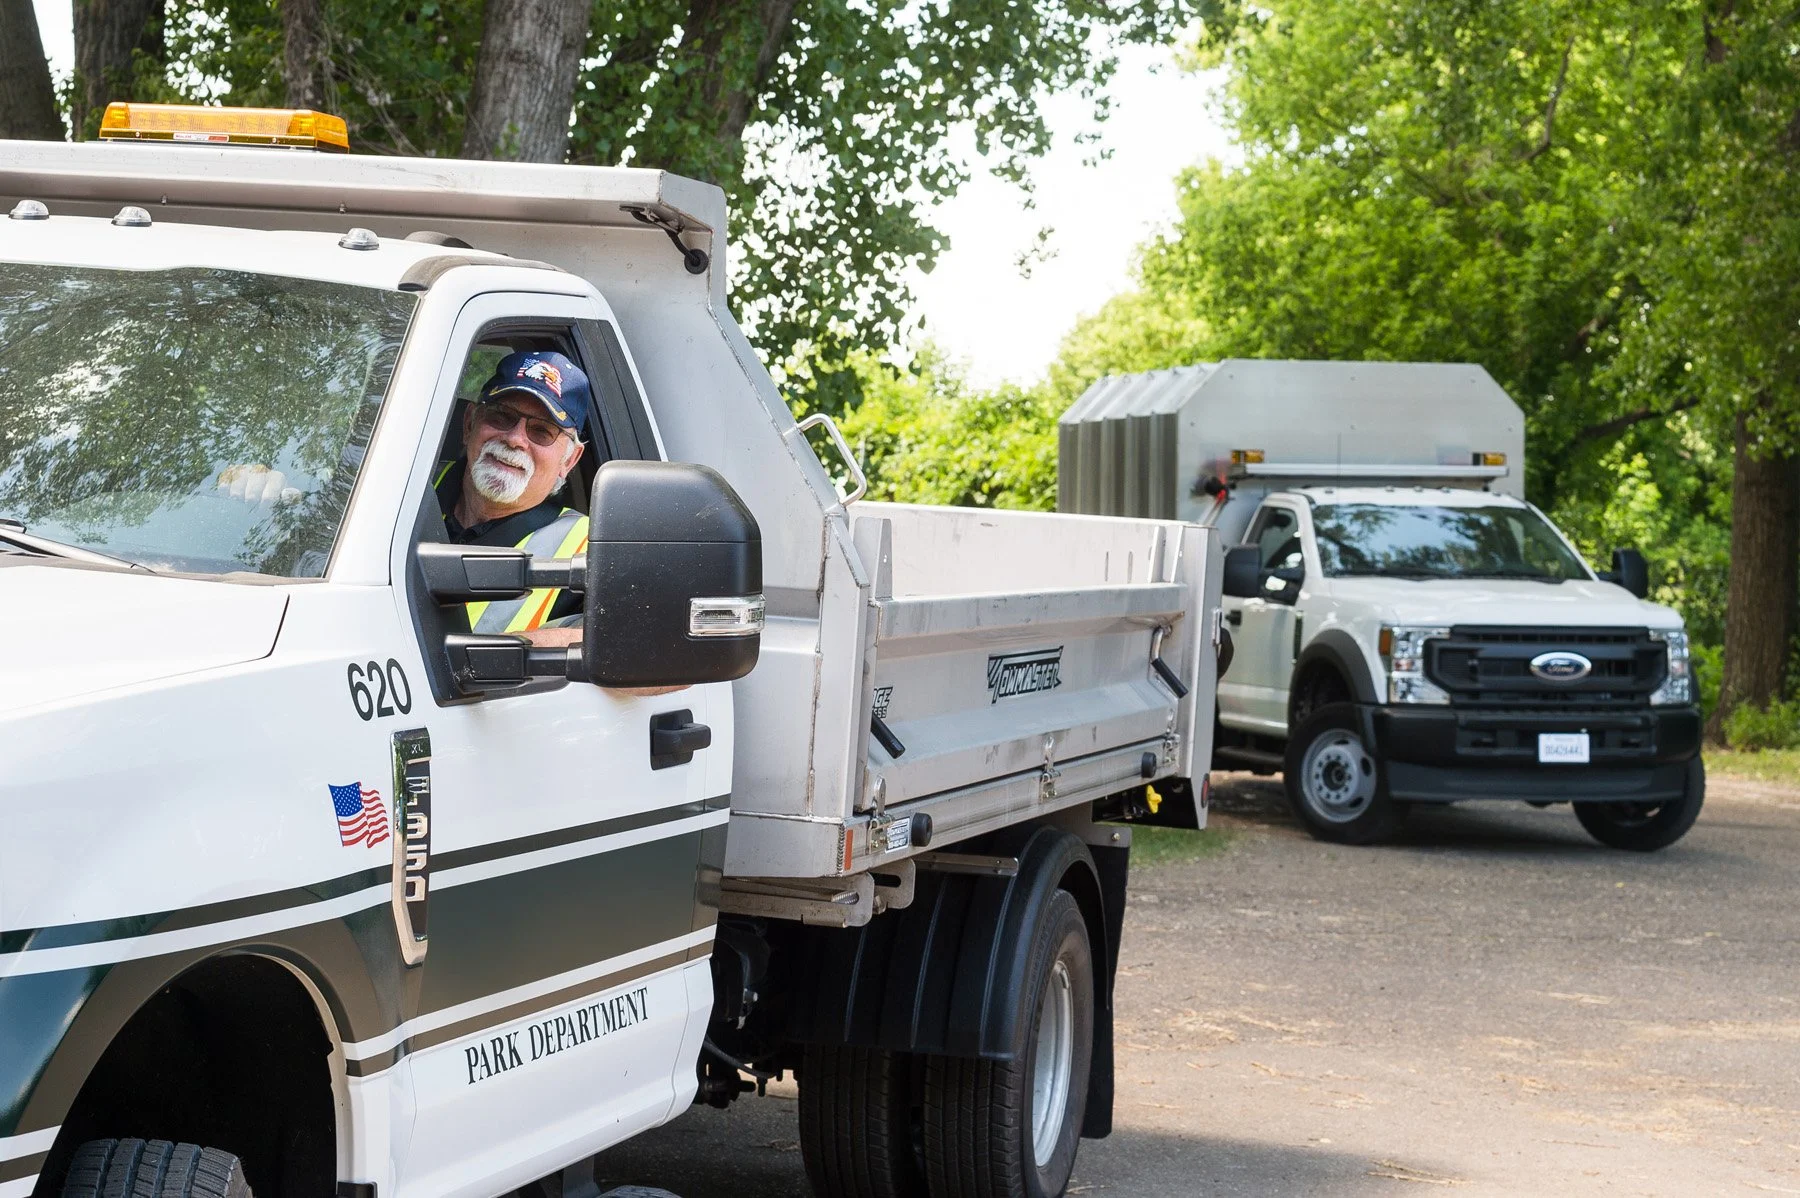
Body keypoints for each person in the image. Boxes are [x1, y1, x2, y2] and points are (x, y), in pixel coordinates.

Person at [434, 350, 590, 647]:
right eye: (502, 416)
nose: (515, 439)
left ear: (569, 461)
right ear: (469, 424)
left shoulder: (590, 548)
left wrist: (512, 650)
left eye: (541, 431)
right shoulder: (407, 488)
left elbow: (639, 646)